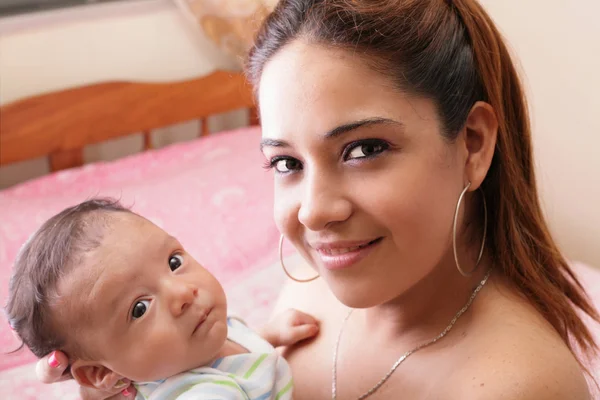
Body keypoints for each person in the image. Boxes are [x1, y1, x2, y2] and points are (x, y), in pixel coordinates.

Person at [36, 0, 600, 399]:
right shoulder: (315, 281)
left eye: (363, 149)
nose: (312, 212)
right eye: (286, 163)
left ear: (472, 145)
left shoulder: (515, 387)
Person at [7, 199, 318, 399]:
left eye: (173, 263)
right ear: (100, 373)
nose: (182, 293)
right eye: (139, 309)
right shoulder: (202, 393)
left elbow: (232, 351)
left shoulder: (200, 335)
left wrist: (268, 334)